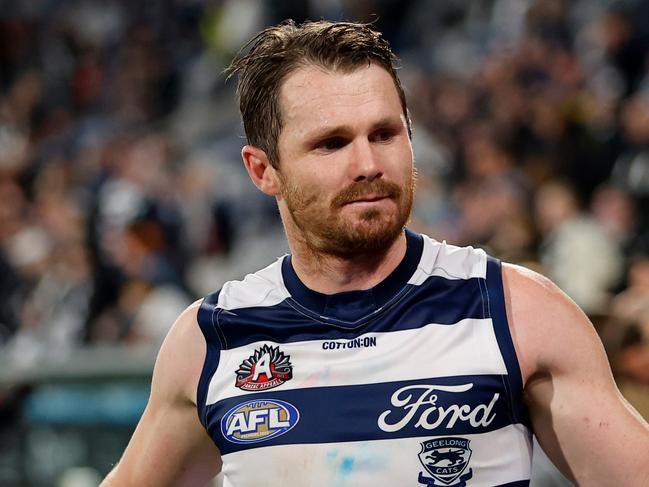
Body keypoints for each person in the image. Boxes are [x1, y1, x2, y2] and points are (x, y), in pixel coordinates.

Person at [101, 20, 649, 487]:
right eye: (332, 143)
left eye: (385, 134)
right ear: (262, 170)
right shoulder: (209, 339)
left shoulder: (516, 310)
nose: (368, 163)